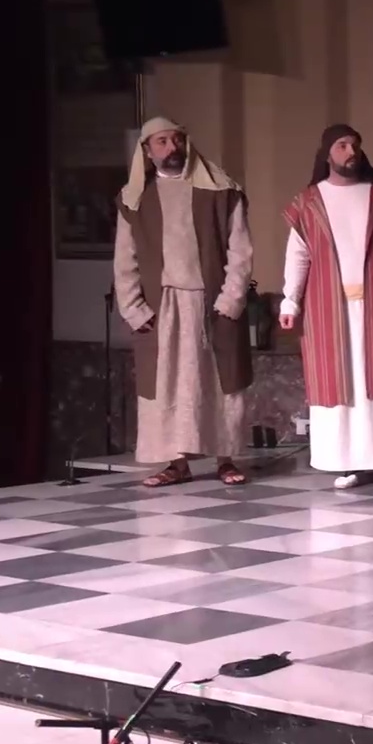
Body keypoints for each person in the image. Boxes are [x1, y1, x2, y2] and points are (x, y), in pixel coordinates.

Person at [278, 125, 373, 489]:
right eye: (343, 145)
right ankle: (345, 462)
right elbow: (298, 256)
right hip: (329, 308)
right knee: (341, 382)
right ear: (327, 153)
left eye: (355, 146)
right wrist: (290, 300)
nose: (351, 151)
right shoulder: (308, 202)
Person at [114, 116, 254, 488]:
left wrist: (231, 299)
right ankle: (176, 463)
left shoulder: (221, 190)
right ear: (146, 150)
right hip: (164, 307)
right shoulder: (135, 199)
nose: (171, 148)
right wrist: (133, 308)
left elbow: (240, 250)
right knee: (169, 385)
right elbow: (124, 259)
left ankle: (226, 458)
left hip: (211, 303)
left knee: (218, 382)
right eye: (161, 142)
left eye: (176, 140)